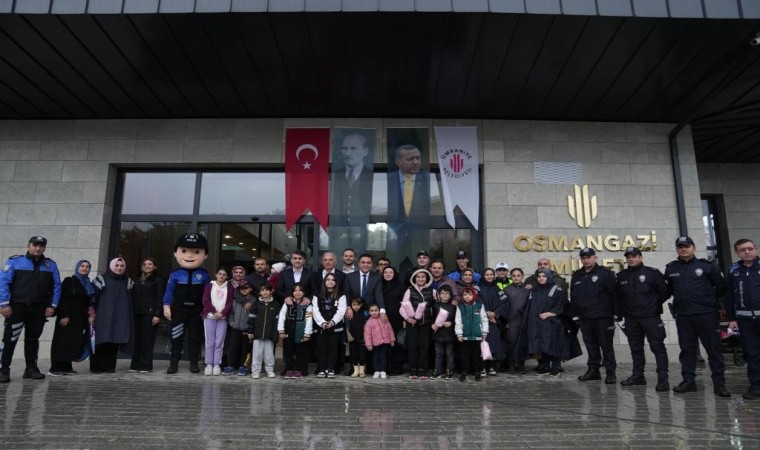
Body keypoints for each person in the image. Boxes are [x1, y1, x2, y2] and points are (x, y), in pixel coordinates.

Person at [665, 236, 730, 397]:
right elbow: (669, 290)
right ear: (677, 250)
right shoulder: (671, 269)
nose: (683, 249)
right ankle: (689, 381)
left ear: (693, 248)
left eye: (686, 246)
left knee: (713, 349)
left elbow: (721, 287)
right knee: (687, 350)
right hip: (684, 316)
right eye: (680, 247)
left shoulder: (707, 266)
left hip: (706, 315)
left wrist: (707, 299)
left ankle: (719, 384)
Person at [0, 236, 61, 382]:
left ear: (44, 248)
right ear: (29, 245)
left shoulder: (50, 265)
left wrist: (52, 306)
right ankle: (4, 370)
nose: (38, 248)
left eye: (41, 246)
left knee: (33, 340)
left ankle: (31, 369)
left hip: (39, 309)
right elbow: (3, 283)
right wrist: (4, 304)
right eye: (35, 245)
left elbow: (56, 287)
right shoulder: (14, 262)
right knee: (10, 339)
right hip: (16, 308)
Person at [615, 247, 670, 391]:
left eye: (634, 256)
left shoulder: (652, 273)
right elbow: (619, 298)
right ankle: (638, 376)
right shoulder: (622, 276)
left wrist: (653, 305)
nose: (631, 259)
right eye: (628, 257)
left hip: (650, 317)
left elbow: (664, 292)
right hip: (631, 319)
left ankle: (663, 379)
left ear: (641, 257)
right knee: (636, 349)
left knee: (657, 347)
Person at [163, 232, 210, 374]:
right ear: (176, 253)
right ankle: (173, 364)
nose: (190, 256)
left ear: (205, 255)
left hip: (197, 312)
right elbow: (169, 291)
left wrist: (207, 309)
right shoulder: (175, 274)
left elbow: (208, 294)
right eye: (184, 251)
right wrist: (166, 306)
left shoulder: (204, 274)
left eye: (196, 252)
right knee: (176, 337)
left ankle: (194, 363)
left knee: (195, 339)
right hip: (179, 311)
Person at [570, 248, 617, 384]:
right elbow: (573, 296)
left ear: (595, 258)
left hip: (603, 316)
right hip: (585, 317)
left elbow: (614, 294)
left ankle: (610, 372)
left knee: (606, 345)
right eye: (583, 258)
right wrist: (575, 315)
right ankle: (593, 371)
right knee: (591, 345)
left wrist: (616, 313)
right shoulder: (577, 275)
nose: (586, 260)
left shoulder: (605, 274)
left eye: (588, 257)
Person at [725, 238, 760, 400]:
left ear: (756, 249)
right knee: (752, 353)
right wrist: (732, 318)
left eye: (750, 248)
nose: (747, 252)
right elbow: (729, 296)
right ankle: (755, 386)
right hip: (745, 320)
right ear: (737, 253)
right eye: (742, 250)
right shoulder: (733, 270)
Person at [387, 145, 431, 270]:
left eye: (418, 158)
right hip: (394, 235)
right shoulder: (387, 180)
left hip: (419, 234)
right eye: (410, 159)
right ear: (398, 162)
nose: (416, 162)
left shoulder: (428, 179)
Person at [329, 132, 374, 254]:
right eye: (344, 148)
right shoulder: (335, 175)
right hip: (338, 230)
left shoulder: (371, 175)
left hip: (362, 230)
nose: (347, 153)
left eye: (353, 148)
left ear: (365, 151)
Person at [49, 260, 94, 376]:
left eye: (87, 267)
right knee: (61, 342)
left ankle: (66, 367)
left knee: (72, 342)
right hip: (67, 316)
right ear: (77, 267)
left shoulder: (88, 283)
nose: (84, 268)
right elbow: (62, 299)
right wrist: (64, 315)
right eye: (82, 266)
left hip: (79, 318)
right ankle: (55, 367)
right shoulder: (69, 281)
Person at [90, 257, 134, 374]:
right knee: (101, 341)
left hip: (120, 317)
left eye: (122, 266)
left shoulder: (128, 281)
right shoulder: (101, 279)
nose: (119, 268)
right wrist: (92, 314)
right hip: (102, 316)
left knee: (114, 342)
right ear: (111, 266)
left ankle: (110, 367)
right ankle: (96, 367)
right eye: (117, 265)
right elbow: (92, 298)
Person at [521, 269, 568, 377]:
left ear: (549, 277)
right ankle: (546, 367)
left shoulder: (556, 289)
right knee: (542, 344)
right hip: (538, 322)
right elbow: (530, 306)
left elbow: (562, 304)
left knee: (553, 345)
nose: (541, 278)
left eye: (544, 276)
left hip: (552, 322)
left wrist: (551, 313)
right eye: (539, 276)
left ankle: (555, 367)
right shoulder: (535, 290)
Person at [129, 257, 165, 373]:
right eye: (145, 264)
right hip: (137, 313)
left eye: (150, 264)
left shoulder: (158, 279)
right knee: (137, 340)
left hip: (150, 314)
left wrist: (158, 314)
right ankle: (135, 365)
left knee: (147, 340)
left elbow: (160, 297)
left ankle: (145, 366)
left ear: (155, 266)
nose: (147, 266)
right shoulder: (138, 279)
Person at [400, 268, 436, 379]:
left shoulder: (432, 291)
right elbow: (402, 308)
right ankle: (413, 370)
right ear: (414, 278)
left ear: (427, 278)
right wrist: (407, 318)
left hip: (426, 324)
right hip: (412, 324)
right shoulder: (409, 290)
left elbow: (437, 307)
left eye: (423, 277)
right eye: (418, 277)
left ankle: (423, 370)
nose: (420, 279)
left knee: (424, 347)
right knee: (413, 347)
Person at [201, 268, 235, 376]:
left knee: (219, 342)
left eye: (224, 274)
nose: (221, 276)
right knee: (209, 342)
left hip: (222, 318)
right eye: (219, 274)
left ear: (227, 277)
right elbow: (205, 300)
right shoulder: (209, 286)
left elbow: (230, 303)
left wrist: (222, 313)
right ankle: (208, 365)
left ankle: (216, 365)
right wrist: (214, 312)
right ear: (216, 275)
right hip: (210, 317)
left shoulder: (230, 287)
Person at [312, 273, 347, 378]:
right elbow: (315, 310)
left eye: (333, 280)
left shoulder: (341, 295)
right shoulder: (317, 295)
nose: (330, 281)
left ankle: (331, 368)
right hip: (321, 326)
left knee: (333, 348)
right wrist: (322, 323)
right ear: (324, 282)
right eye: (328, 279)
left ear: (336, 282)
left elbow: (341, 311)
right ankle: (322, 368)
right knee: (322, 348)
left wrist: (332, 322)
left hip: (335, 326)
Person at [278, 282, 313, 379]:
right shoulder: (287, 303)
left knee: (301, 352)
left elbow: (309, 318)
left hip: (301, 332)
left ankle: (300, 369)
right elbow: (281, 317)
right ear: (292, 292)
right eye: (295, 290)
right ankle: (289, 369)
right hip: (288, 332)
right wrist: (281, 330)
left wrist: (307, 333)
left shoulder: (308, 304)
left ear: (304, 292)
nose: (298, 293)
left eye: (300, 290)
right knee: (288, 351)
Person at [247, 282, 280, 379]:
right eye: (263, 290)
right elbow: (251, 318)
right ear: (260, 292)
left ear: (271, 291)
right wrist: (250, 331)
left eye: (267, 290)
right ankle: (256, 371)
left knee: (269, 354)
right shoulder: (256, 303)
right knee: (257, 353)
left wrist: (275, 334)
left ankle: (269, 370)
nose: (265, 292)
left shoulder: (276, 304)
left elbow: (277, 321)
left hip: (269, 334)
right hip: (257, 334)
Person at [455, 287, 488, 382]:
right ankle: (464, 372)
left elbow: (484, 319)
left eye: (469, 294)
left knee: (477, 356)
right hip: (465, 336)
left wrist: (484, 332)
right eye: (465, 294)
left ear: (474, 295)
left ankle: (477, 372)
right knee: (464, 356)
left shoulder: (479, 306)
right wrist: (459, 334)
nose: (467, 297)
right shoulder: (460, 306)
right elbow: (458, 321)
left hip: (477, 336)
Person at [223, 281, 255, 376]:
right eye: (242, 289)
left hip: (247, 329)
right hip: (235, 328)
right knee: (233, 347)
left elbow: (254, 316)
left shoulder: (254, 301)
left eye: (246, 288)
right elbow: (232, 313)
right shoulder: (236, 300)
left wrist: (250, 328)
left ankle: (244, 366)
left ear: (250, 289)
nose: (244, 290)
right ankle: (231, 365)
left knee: (246, 349)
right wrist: (232, 323)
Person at [479, 268, 507, 375]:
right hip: (482, 320)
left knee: (494, 344)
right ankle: (482, 367)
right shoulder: (478, 288)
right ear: (483, 276)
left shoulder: (498, 289)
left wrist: (495, 313)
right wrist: (486, 312)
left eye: (491, 274)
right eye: (487, 274)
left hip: (494, 321)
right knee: (482, 343)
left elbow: (504, 302)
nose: (489, 276)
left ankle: (491, 366)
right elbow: (476, 300)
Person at [502, 267, 529, 374]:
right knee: (512, 344)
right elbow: (504, 307)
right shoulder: (507, 289)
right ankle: (511, 365)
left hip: (524, 321)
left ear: (522, 276)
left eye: (518, 275)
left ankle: (521, 365)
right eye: (514, 276)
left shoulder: (527, 289)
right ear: (511, 277)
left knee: (522, 343)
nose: (516, 277)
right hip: (511, 321)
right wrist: (505, 322)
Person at [343, 253, 385, 318]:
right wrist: (348, 307)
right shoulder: (350, 277)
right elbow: (347, 293)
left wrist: (382, 311)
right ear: (359, 264)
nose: (365, 265)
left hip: (371, 313)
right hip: (353, 311)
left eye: (368, 263)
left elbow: (379, 294)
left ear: (372, 265)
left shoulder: (377, 277)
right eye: (363, 262)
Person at [382, 266, 407, 375]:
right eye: (385, 272)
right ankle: (384, 367)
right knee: (383, 342)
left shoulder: (401, 287)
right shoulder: (379, 286)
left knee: (396, 343)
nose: (388, 274)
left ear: (395, 274)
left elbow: (405, 304)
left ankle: (397, 367)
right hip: (382, 318)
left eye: (390, 272)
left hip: (397, 318)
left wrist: (405, 318)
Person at [364, 303, 395, 379]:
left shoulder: (384, 319)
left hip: (385, 342)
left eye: (376, 310)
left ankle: (383, 371)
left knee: (383, 357)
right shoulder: (369, 322)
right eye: (372, 311)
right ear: (369, 312)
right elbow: (367, 334)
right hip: (375, 344)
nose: (374, 312)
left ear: (379, 311)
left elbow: (390, 330)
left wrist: (392, 340)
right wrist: (368, 344)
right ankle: (377, 371)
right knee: (375, 358)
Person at [431, 284, 456, 379]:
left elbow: (456, 319)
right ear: (438, 294)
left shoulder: (453, 307)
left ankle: (449, 370)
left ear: (450, 295)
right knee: (438, 353)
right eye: (442, 293)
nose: (445, 295)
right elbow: (432, 318)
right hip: (438, 333)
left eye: (447, 293)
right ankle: (437, 370)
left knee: (449, 353)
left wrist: (451, 323)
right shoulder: (435, 305)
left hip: (449, 333)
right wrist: (433, 324)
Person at [346, 297, 368, 377]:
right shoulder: (349, 313)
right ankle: (355, 370)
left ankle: (362, 371)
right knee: (353, 354)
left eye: (358, 305)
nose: (356, 306)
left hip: (362, 337)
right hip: (352, 337)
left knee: (362, 354)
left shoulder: (365, 313)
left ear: (362, 305)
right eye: (354, 305)